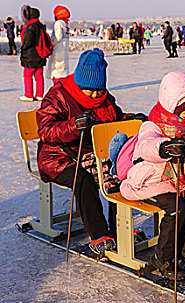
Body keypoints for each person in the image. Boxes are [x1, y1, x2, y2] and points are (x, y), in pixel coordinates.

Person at [36, 48, 146, 255]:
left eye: (99, 90)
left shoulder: (104, 99)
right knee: (84, 180)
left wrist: (134, 119)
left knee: (118, 174)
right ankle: (98, 234)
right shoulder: (58, 95)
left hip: (93, 154)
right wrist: (73, 126)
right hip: (58, 157)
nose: (95, 95)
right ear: (79, 82)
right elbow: (45, 130)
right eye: (90, 90)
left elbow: (116, 119)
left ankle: (119, 227)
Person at [120, 72, 185, 279]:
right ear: (172, 109)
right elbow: (146, 146)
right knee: (178, 209)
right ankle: (162, 258)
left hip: (176, 182)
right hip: (149, 182)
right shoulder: (152, 125)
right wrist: (164, 148)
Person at [19, 5, 46, 102]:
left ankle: (28, 95)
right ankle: (39, 95)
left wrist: (23, 49)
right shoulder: (40, 25)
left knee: (27, 74)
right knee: (39, 75)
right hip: (40, 54)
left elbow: (27, 41)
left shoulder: (30, 27)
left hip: (31, 55)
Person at [46, 5, 70, 84]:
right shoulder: (65, 24)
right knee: (62, 72)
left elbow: (58, 37)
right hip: (63, 51)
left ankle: (57, 90)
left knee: (56, 71)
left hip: (58, 51)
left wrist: (51, 43)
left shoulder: (58, 23)